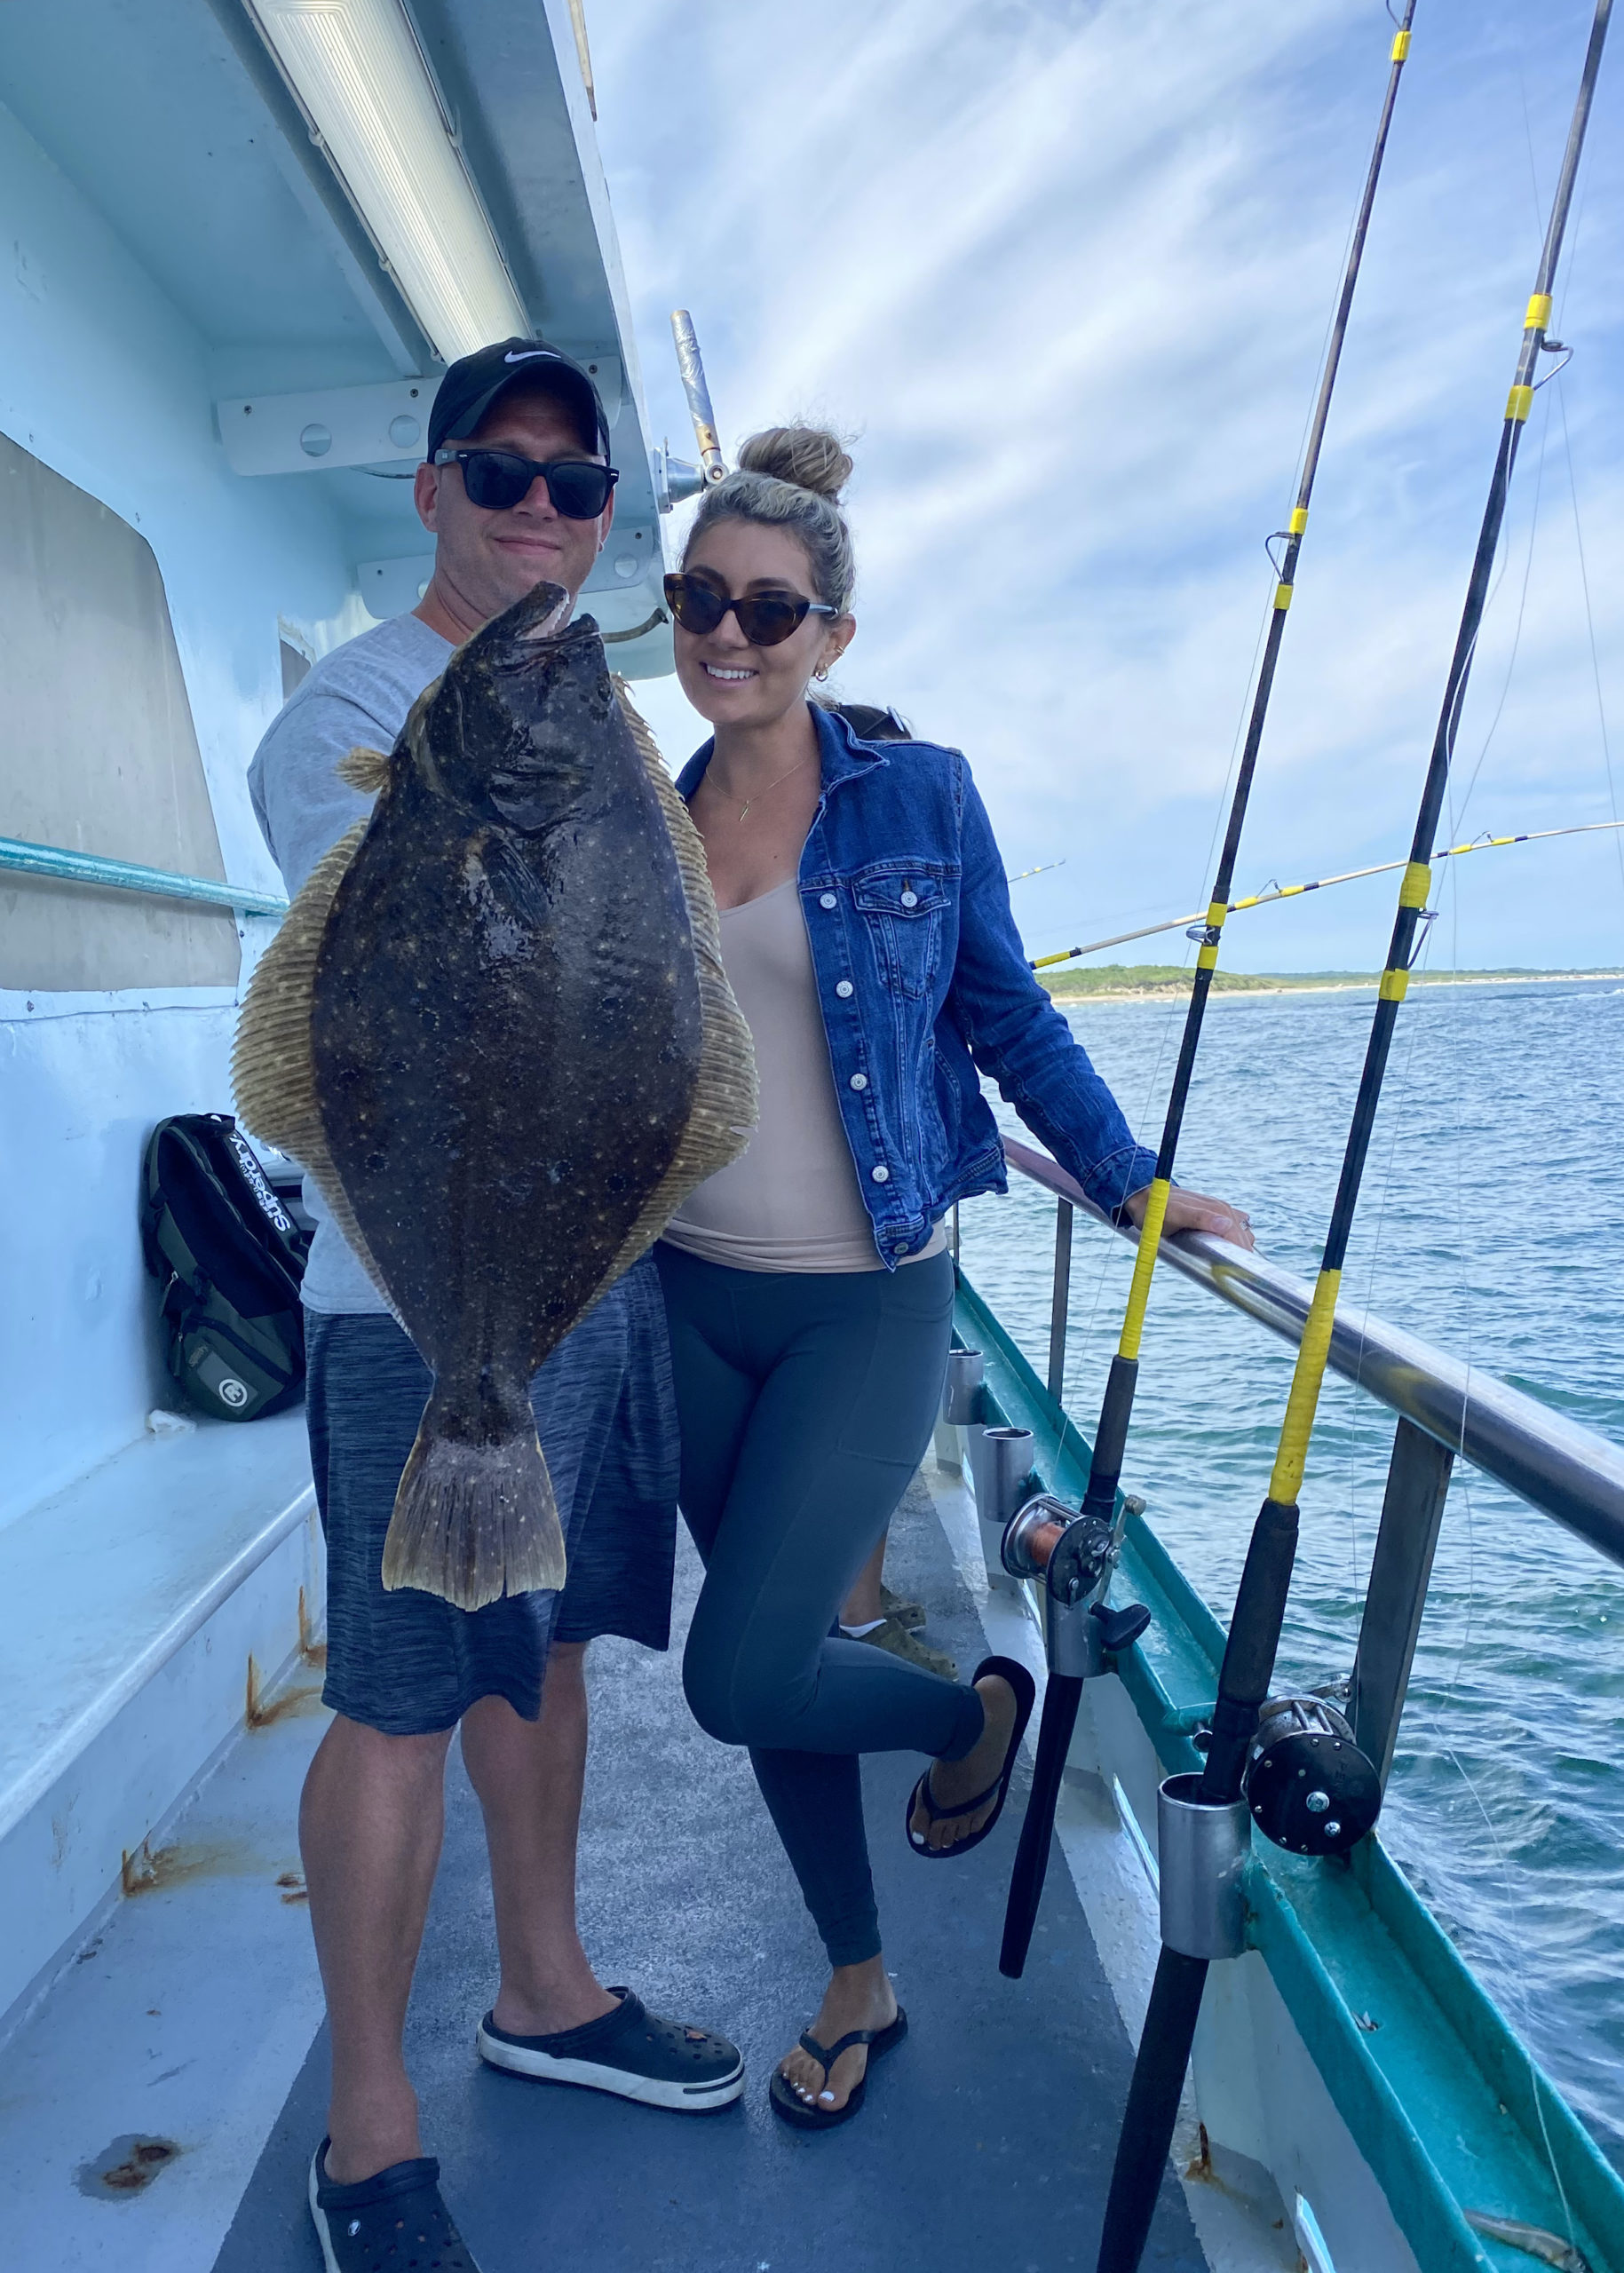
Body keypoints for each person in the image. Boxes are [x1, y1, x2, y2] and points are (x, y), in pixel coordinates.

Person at [654, 424, 1254, 2132]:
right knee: (775, 1657)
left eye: (770, 609)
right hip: (682, 1289)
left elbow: (1003, 1013)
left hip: (868, 1295)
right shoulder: (643, 812)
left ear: (831, 634)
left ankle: (966, 1720)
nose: (728, 633)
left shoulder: (918, 795)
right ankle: (858, 1975)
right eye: (700, 598)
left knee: (735, 1670)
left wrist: (1131, 1183)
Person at [248, 340, 743, 2273]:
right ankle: (367, 2133)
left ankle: (547, 1989)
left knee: (542, 1649)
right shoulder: (359, 706)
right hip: (413, 1298)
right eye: (503, 469)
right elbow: (405, 976)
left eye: (578, 481)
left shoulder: (588, 707)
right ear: (433, 489)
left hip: (578, 1279)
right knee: (395, 1698)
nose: (544, 508)